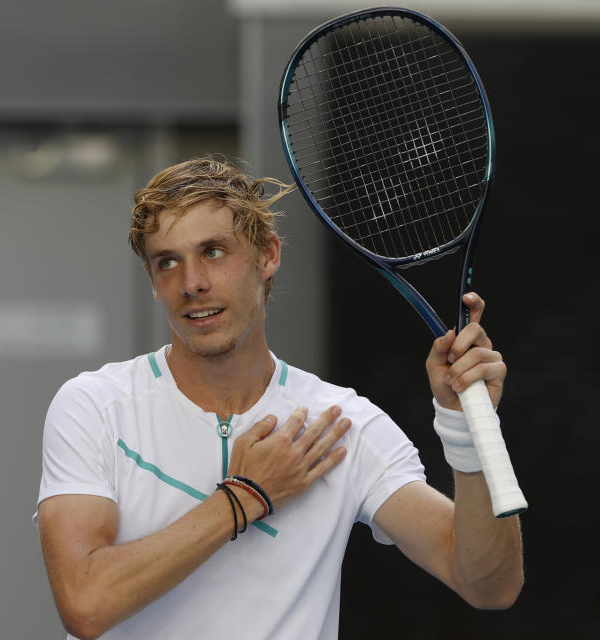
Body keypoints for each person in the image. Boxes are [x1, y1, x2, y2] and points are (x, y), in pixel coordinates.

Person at [33, 158, 524, 640]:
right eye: (168, 262)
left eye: (213, 252)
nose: (192, 283)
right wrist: (244, 497)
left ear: (267, 256)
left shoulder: (342, 423)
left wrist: (467, 432)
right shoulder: (93, 406)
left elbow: (489, 584)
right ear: (153, 280)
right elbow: (85, 604)